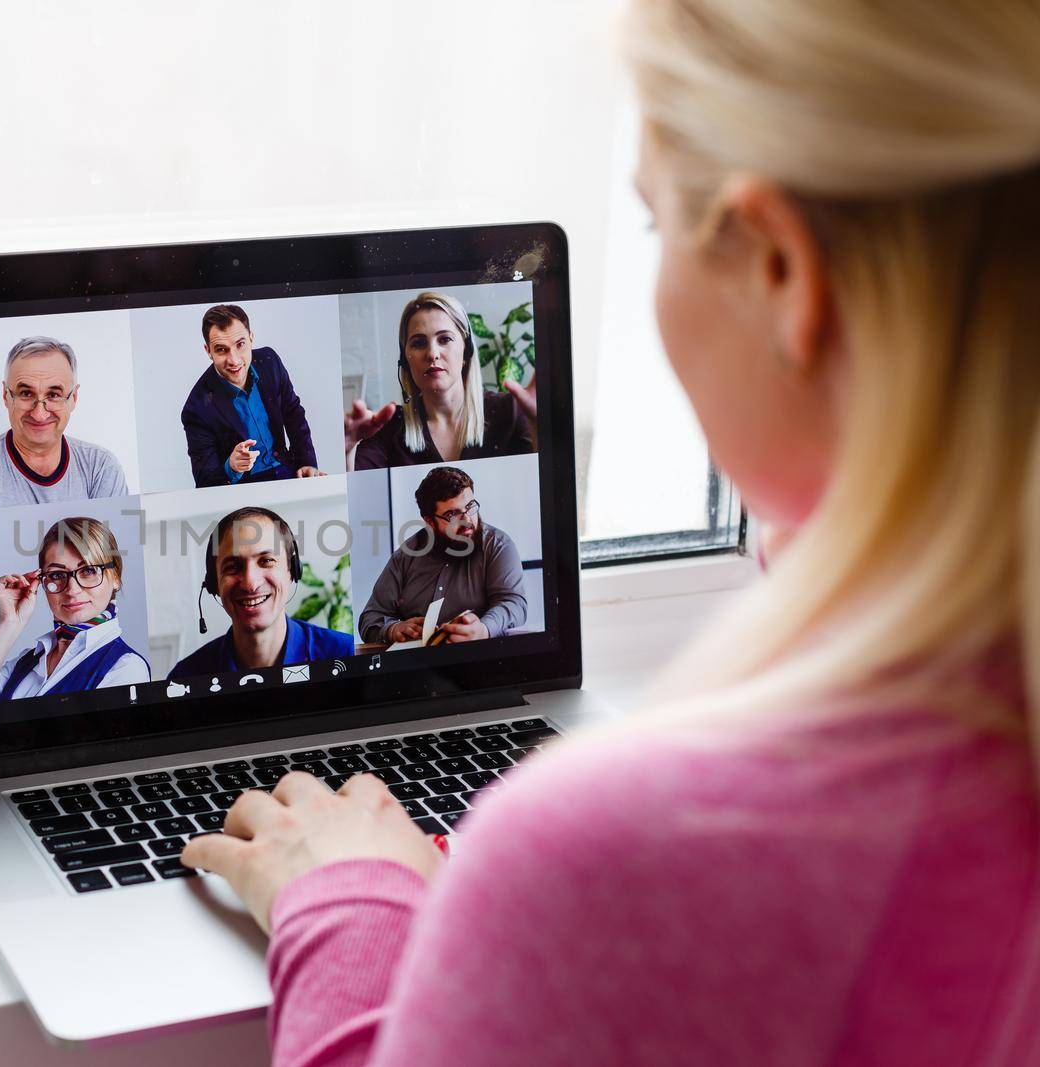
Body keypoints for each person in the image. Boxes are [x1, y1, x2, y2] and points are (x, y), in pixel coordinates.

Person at [183, 2, 1040, 1064]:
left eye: (653, 223)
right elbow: (369, 613)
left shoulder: (614, 857)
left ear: (781, 270)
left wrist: (342, 903)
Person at [0, 517, 148, 704]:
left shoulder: (125, 667)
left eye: (88, 571)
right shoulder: (26, 662)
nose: (72, 590)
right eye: (57, 575)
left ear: (115, 578)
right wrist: (8, 624)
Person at [347, 290, 535, 470]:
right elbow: (358, 494)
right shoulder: (387, 429)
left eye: (444, 339)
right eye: (419, 343)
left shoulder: (509, 412)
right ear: (405, 360)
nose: (432, 354)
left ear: (466, 351)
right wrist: (348, 449)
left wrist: (541, 426)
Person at [0, 336, 128, 511]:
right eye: (26, 393)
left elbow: (112, 546)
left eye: (54, 395)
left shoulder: (101, 468)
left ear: (74, 398)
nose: (39, 414)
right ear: (6, 395)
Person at [170, 506, 351, 677]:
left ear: (292, 571)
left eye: (266, 561)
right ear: (214, 584)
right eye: (232, 567)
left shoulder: (346, 654)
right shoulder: (185, 677)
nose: (250, 583)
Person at [358, 466, 527, 645]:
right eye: (452, 514)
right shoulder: (406, 556)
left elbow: (513, 602)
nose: (468, 520)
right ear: (429, 521)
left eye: (470, 507)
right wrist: (392, 630)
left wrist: (484, 629)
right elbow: (370, 617)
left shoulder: (498, 545)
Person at [180, 304, 325, 487]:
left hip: (288, 471)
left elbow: (293, 413)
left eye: (240, 345)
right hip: (244, 489)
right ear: (208, 351)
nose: (234, 360)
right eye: (221, 349)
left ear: (251, 339)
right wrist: (231, 467)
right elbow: (205, 481)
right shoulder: (196, 408)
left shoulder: (269, 362)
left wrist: (307, 462)